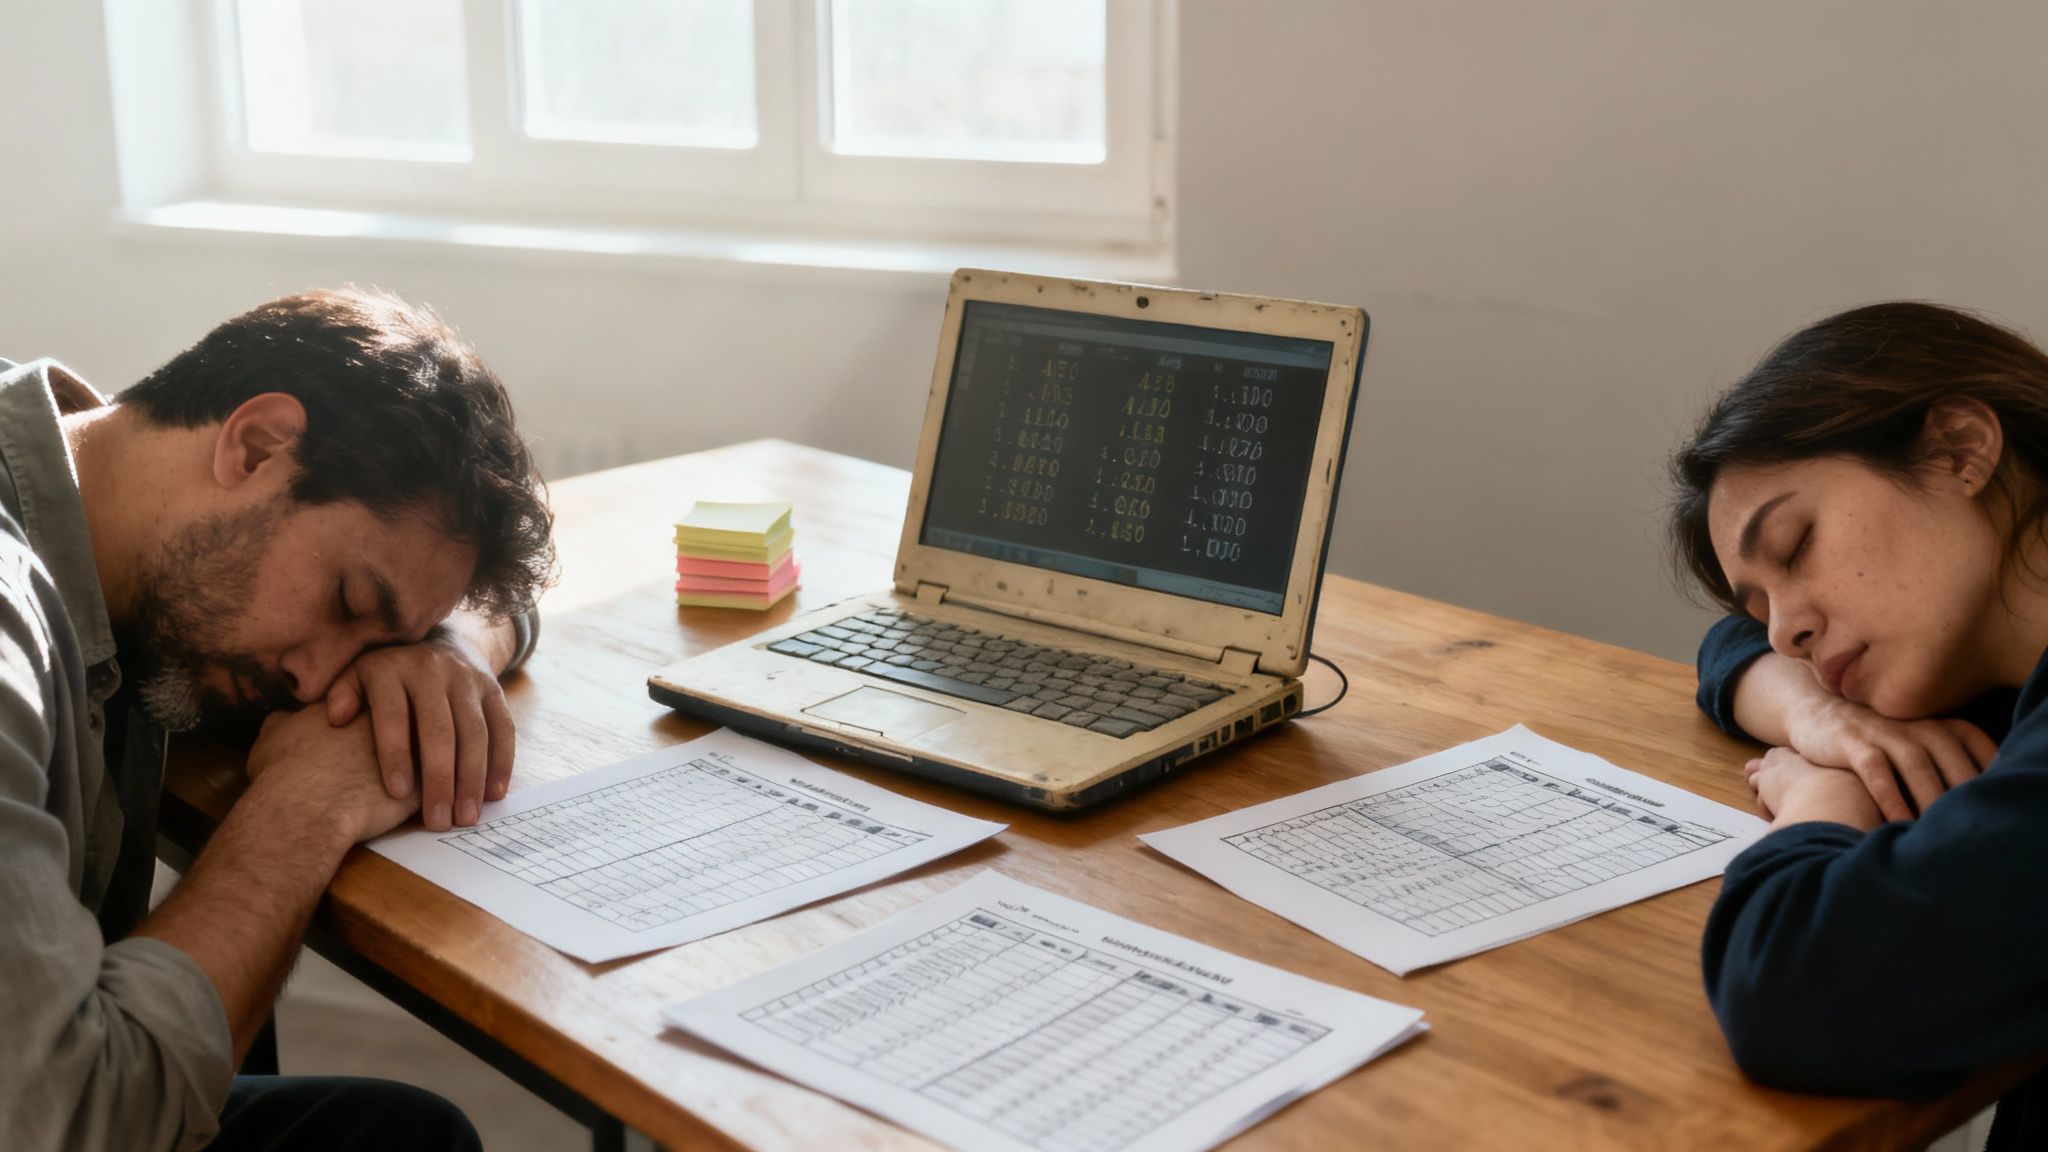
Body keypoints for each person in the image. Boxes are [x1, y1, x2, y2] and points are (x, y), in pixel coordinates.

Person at [0, 287, 555, 1150]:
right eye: (349, 600)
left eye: (380, 638)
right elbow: (65, 1119)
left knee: (391, 1132)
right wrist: (304, 808)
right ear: (257, 444)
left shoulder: (109, 490)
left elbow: (513, 603)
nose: (322, 683)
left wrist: (446, 652)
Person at [1673, 301, 2048, 1150]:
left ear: (1959, 449)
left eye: (1797, 543)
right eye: (1761, 599)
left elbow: (1790, 987)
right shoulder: (1994, 662)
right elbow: (1726, 648)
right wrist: (1820, 714)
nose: (1784, 632)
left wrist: (1820, 797)